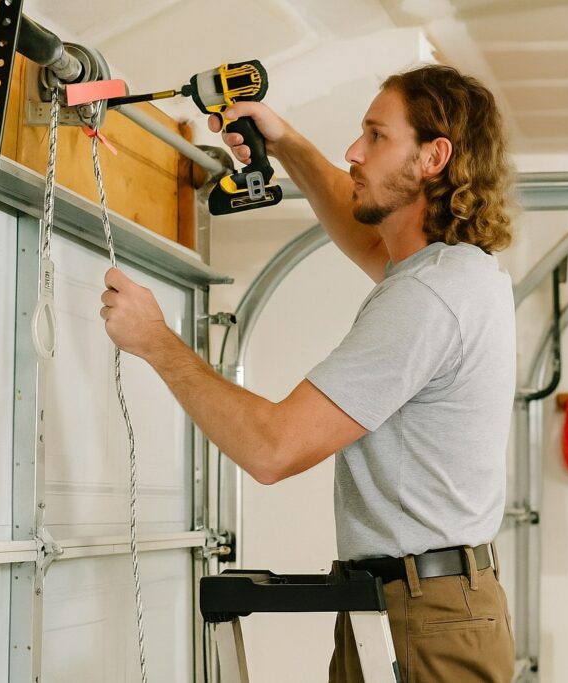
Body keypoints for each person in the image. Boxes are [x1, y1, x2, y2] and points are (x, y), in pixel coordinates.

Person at [100, 64, 517, 682]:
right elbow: (368, 240)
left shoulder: (428, 298)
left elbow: (274, 448)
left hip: (422, 614)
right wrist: (287, 141)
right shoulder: (453, 272)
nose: (354, 152)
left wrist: (158, 342)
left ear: (434, 157)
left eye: (376, 136)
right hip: (414, 600)